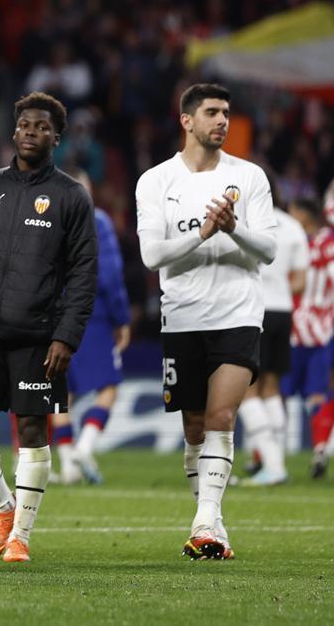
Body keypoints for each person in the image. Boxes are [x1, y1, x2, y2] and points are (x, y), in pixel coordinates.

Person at [0, 91, 96, 564]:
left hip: (37, 337)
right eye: (25, 125)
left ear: (57, 137)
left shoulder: (71, 196)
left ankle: (21, 538)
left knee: (32, 429)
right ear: (14, 131)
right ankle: (3, 509)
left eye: (42, 127)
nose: (32, 132)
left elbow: (83, 274)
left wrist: (65, 335)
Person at [135, 83, 276, 560]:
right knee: (194, 426)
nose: (222, 121)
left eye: (226, 113)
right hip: (182, 316)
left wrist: (234, 228)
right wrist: (205, 233)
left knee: (221, 417)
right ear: (187, 120)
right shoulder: (156, 181)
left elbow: (270, 250)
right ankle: (212, 523)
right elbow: (152, 255)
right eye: (212, 112)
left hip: (238, 312)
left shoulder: (250, 177)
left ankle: (202, 523)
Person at [51, 171, 130, 486]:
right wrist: (121, 318)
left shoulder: (47, 219)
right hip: (91, 315)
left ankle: (69, 465)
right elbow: (109, 274)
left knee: (60, 392)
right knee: (109, 387)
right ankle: (84, 447)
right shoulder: (98, 221)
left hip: (53, 318)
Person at [238, 192, 308, 485]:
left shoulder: (246, 222)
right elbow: (301, 281)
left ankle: (273, 464)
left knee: (245, 390)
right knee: (271, 387)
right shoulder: (293, 226)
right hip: (283, 312)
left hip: (254, 311)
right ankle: (276, 460)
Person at [281, 199, 334, 481]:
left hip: (300, 329)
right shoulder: (313, 241)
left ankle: (267, 459)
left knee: (275, 393)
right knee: (316, 393)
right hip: (318, 330)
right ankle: (320, 449)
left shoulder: (316, 243)